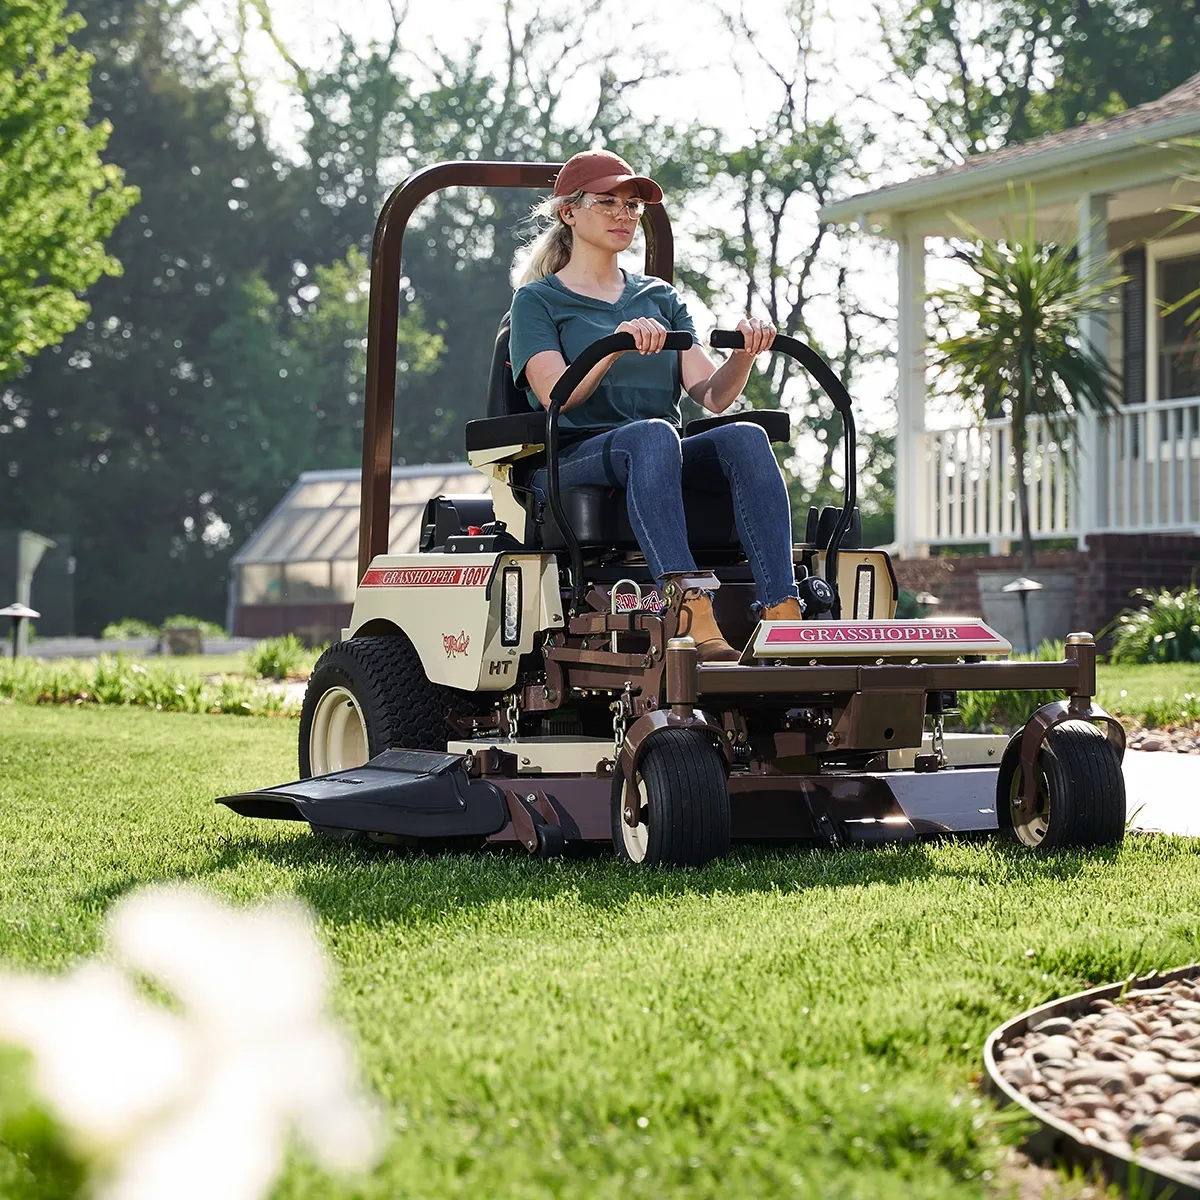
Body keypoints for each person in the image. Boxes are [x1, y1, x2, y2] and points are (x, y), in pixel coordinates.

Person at [508, 149, 802, 662]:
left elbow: (712, 396)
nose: (624, 215)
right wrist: (614, 347)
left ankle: (782, 611)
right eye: (608, 203)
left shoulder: (660, 298)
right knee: (653, 434)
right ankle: (689, 607)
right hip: (575, 457)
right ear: (569, 212)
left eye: (632, 206)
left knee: (746, 436)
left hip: (657, 452)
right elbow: (558, 394)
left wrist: (742, 357)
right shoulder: (539, 300)